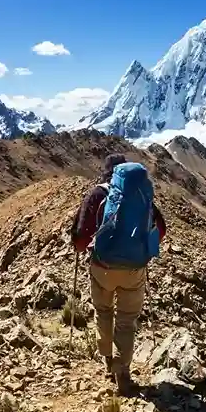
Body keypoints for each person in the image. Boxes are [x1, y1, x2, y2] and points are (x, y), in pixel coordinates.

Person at [71, 154, 166, 395]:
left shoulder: (97, 195)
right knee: (126, 320)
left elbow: (80, 239)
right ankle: (122, 370)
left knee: (103, 311)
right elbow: (160, 230)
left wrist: (86, 247)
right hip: (134, 269)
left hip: (102, 267)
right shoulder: (141, 194)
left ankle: (107, 360)